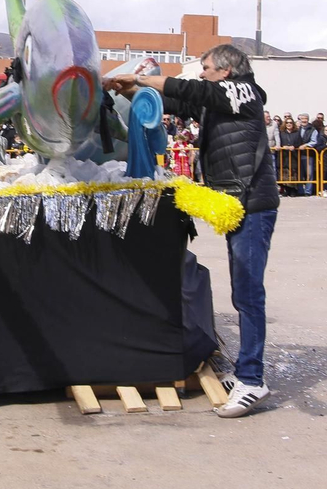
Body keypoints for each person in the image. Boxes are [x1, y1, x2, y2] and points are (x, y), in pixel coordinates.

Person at [105, 43, 278, 419]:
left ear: (226, 71)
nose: (201, 73)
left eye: (207, 67)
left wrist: (138, 76)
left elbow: (190, 91)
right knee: (242, 292)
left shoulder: (243, 90)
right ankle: (247, 370)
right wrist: (131, 91)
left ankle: (252, 380)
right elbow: (174, 103)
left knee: (248, 293)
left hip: (253, 204)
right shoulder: (219, 100)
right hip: (235, 203)